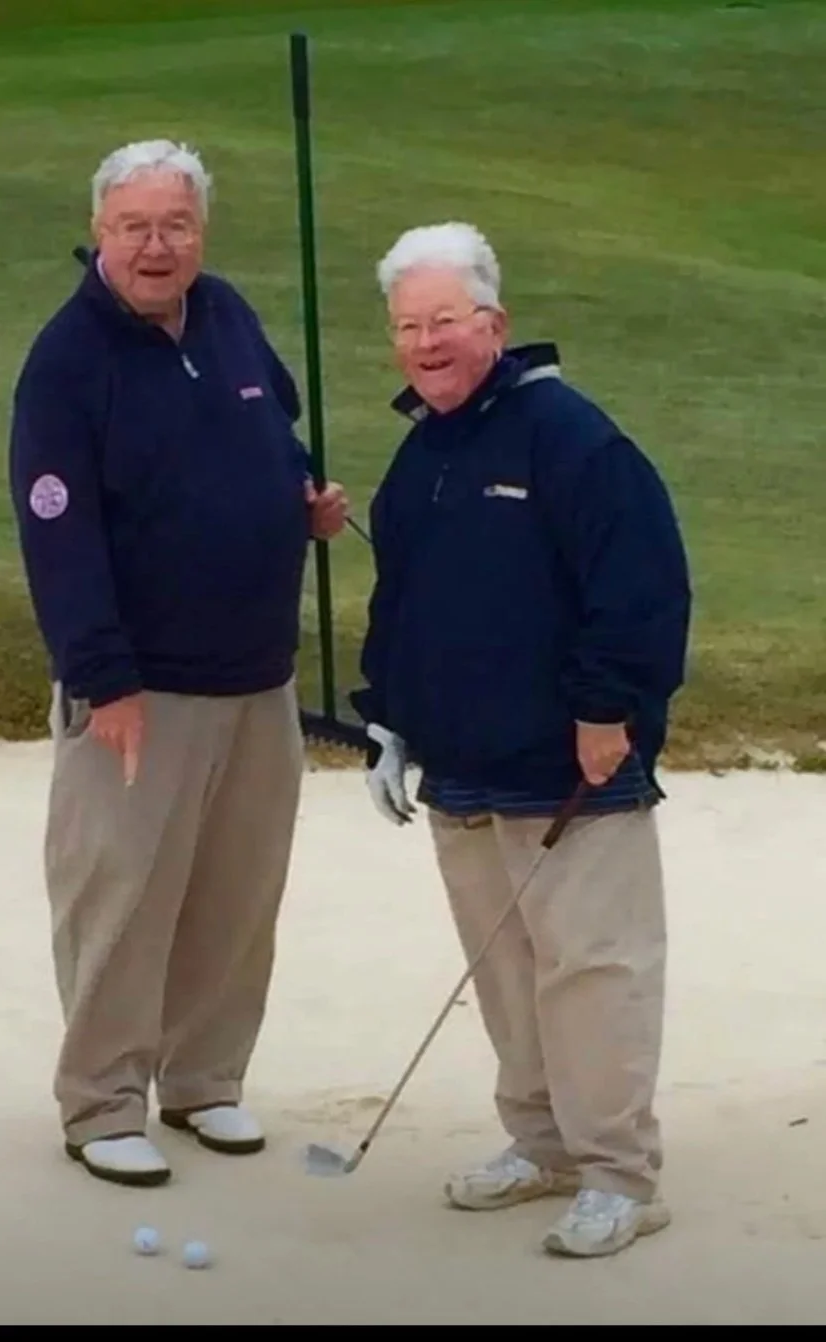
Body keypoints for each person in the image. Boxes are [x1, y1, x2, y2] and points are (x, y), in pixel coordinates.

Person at [7, 139, 348, 1188]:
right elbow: (55, 531)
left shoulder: (229, 314)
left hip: (258, 672)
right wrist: (101, 676)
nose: (157, 246)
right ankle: (104, 1100)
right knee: (122, 896)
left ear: (202, 231)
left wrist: (303, 498)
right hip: (142, 685)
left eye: (177, 225)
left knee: (234, 896)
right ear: (100, 231)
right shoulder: (69, 362)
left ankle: (205, 1080)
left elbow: (274, 427)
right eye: (135, 226)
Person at [349, 221, 692, 1258]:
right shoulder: (425, 453)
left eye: (445, 322)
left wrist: (605, 712)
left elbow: (640, 591)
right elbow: (401, 600)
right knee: (507, 977)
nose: (425, 344)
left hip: (571, 767)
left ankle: (620, 1175)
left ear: (493, 323)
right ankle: (542, 1144)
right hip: (463, 768)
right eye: (409, 326)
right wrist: (389, 720)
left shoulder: (573, 439)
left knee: (593, 971)